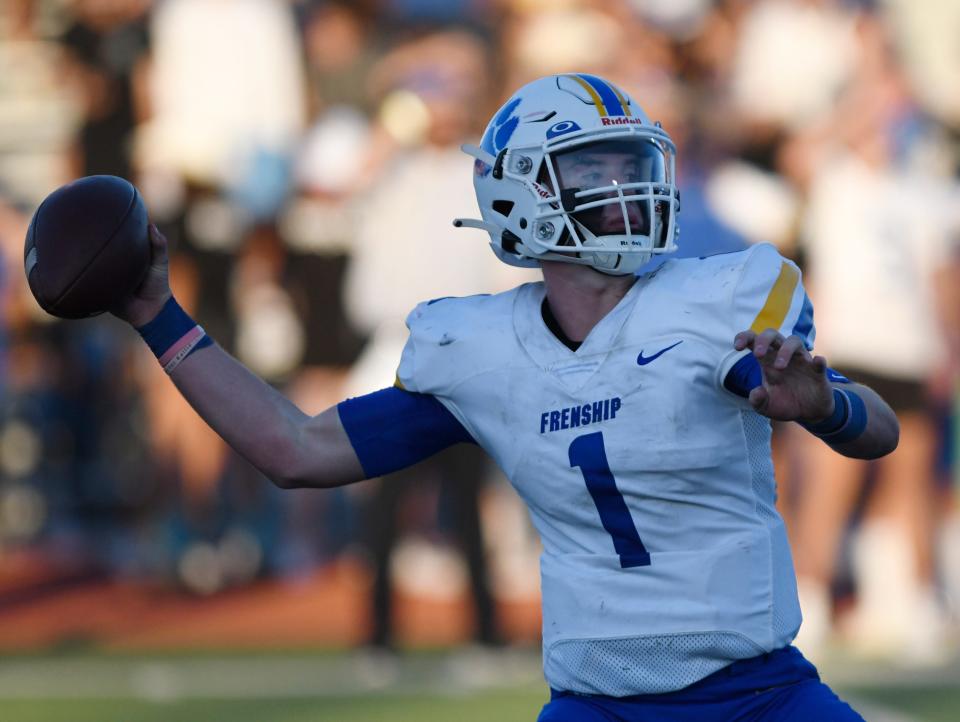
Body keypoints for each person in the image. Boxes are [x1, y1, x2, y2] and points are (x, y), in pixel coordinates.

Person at [112, 74, 898, 721]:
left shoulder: (716, 296)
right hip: (598, 706)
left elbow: (881, 431)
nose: (629, 186)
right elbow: (294, 449)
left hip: (759, 695)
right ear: (523, 195)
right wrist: (158, 315)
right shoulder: (480, 352)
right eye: (596, 169)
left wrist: (827, 406)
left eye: (633, 164)